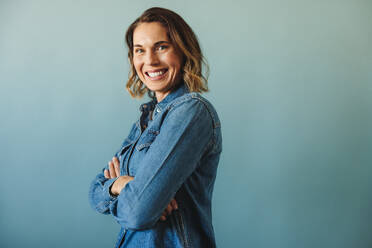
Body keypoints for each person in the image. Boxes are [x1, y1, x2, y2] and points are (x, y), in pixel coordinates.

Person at [88, 7, 222, 248]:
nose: (149, 60)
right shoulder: (147, 119)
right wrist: (122, 184)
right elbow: (94, 191)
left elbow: (137, 213)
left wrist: (127, 194)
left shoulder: (191, 112)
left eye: (161, 46)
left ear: (183, 51)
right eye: (140, 50)